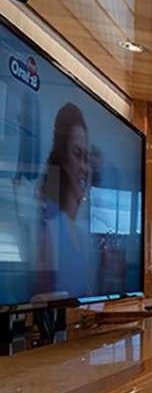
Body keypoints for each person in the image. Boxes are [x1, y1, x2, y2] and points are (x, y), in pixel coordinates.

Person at [35, 103, 93, 298]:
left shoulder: (79, 232)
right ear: (62, 159)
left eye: (86, 157)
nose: (84, 167)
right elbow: (39, 304)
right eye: (77, 154)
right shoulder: (50, 230)